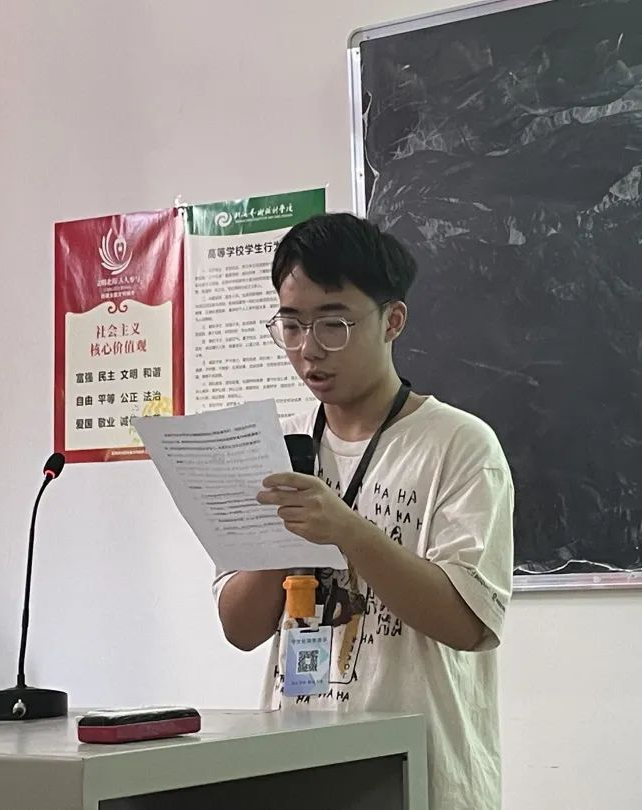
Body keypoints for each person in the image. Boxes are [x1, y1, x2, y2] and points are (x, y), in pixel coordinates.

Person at [212, 213, 514, 810]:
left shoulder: (459, 444)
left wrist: (347, 530)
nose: (308, 350)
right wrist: (281, 541)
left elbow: (468, 623)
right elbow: (240, 629)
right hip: (297, 771)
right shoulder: (275, 446)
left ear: (392, 320)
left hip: (421, 776)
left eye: (334, 324)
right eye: (291, 325)